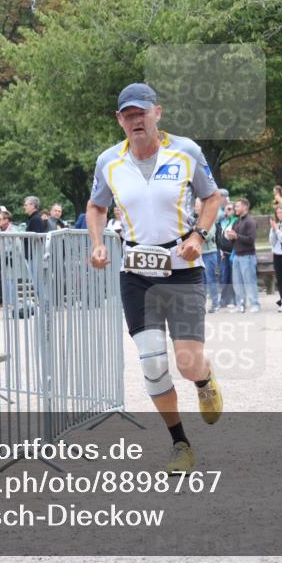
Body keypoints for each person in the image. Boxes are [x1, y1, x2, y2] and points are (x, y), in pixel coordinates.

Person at [86, 82, 223, 474]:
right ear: (119, 121)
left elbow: (212, 196)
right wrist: (97, 243)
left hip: (182, 268)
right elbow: (96, 206)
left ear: (157, 113)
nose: (135, 121)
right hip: (136, 274)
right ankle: (180, 443)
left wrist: (200, 235)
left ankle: (204, 379)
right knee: (151, 364)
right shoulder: (109, 161)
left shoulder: (186, 152)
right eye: (128, 116)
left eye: (141, 113)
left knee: (187, 362)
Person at [225, 198, 259, 313]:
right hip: (237, 256)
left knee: (249, 282)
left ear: (245, 207)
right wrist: (230, 237)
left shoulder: (250, 221)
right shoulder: (237, 221)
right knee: (237, 283)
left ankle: (255, 304)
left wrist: (237, 236)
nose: (235, 208)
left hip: (247, 256)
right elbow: (234, 239)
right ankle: (240, 305)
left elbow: (251, 240)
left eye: (238, 206)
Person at [196, 198, 220, 314]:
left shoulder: (209, 218)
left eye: (197, 205)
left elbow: (209, 235)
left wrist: (195, 238)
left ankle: (215, 304)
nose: (195, 207)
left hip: (209, 253)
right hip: (199, 255)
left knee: (211, 280)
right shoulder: (194, 220)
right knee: (202, 282)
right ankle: (202, 305)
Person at [213, 203, 237, 312]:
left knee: (233, 277)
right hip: (224, 253)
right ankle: (224, 300)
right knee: (224, 276)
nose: (226, 212)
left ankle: (234, 300)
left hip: (234, 253)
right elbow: (219, 238)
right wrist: (221, 251)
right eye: (225, 209)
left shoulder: (236, 221)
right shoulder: (221, 222)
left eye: (229, 209)